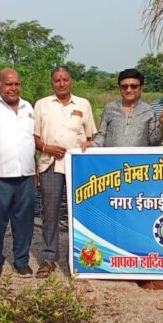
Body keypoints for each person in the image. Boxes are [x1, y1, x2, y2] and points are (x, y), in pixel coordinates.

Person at [33, 66, 97, 278]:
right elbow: (35, 136)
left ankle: (78, 257)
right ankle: (49, 257)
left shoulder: (83, 104)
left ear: (71, 81)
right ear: (52, 83)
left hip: (77, 166)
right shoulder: (42, 104)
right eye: (57, 80)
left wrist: (88, 144)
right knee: (50, 212)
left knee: (78, 211)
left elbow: (91, 136)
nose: (62, 83)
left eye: (65, 79)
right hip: (50, 163)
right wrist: (46, 147)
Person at [0, 68, 36, 280]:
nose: (14, 88)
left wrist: (34, 170)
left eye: (17, 84)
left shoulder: (28, 107)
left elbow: (30, 140)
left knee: (24, 222)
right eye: (9, 84)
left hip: (25, 175)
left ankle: (21, 261)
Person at [91, 68, 162, 147]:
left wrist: (161, 124)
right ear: (119, 88)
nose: (129, 90)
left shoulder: (149, 111)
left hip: (138, 155)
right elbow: (101, 135)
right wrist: (92, 145)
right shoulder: (110, 108)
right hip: (111, 155)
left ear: (141, 87)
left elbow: (154, 142)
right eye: (124, 87)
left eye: (134, 86)